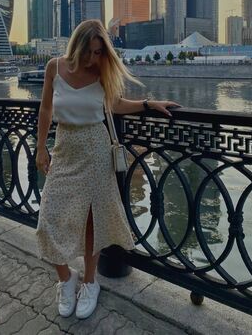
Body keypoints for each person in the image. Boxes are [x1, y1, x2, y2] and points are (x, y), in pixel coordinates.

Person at [35, 19, 180, 319]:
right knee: (47, 219)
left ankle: (90, 282)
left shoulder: (101, 72)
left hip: (96, 150)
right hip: (64, 149)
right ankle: (66, 279)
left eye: (99, 52)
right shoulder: (54, 67)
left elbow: (115, 104)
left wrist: (149, 104)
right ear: (76, 47)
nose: (93, 58)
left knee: (93, 221)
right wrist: (40, 147)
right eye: (89, 51)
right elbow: (46, 109)